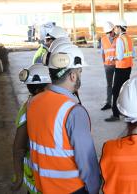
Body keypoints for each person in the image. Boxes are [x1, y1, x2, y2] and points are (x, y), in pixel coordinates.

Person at [27, 42, 101, 193]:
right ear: (73, 75)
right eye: (80, 71)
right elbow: (86, 161)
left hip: (43, 186)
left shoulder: (33, 102)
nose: (80, 75)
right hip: (70, 188)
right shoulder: (73, 111)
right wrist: (94, 189)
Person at [11, 64, 51, 194]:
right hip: (46, 181)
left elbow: (18, 149)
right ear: (44, 87)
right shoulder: (51, 109)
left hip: (33, 179)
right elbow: (19, 148)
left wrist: (18, 176)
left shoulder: (26, 108)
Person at [105, 19, 134, 122]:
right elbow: (132, 54)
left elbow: (120, 56)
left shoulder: (119, 39)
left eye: (116, 27)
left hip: (121, 68)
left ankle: (116, 114)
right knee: (124, 90)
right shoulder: (129, 38)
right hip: (128, 67)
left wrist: (113, 58)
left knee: (115, 91)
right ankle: (125, 111)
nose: (115, 30)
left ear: (119, 27)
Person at [100, 21, 116, 111]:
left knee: (118, 85)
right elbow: (102, 52)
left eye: (110, 32)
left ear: (113, 30)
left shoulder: (118, 39)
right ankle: (108, 103)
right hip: (108, 66)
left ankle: (117, 103)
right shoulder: (103, 39)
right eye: (107, 32)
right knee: (109, 85)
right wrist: (104, 63)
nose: (109, 34)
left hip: (118, 65)